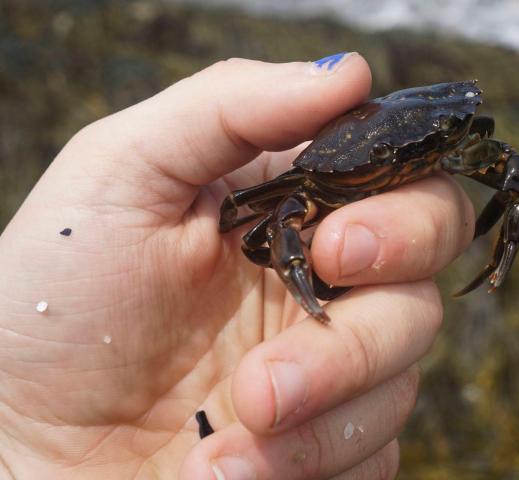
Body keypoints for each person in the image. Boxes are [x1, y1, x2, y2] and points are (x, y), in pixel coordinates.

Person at [0, 53, 475, 479]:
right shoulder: (309, 188)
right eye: (384, 158)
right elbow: (248, 230)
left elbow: (509, 174)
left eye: (440, 137)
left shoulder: (457, 137)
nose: (404, 160)